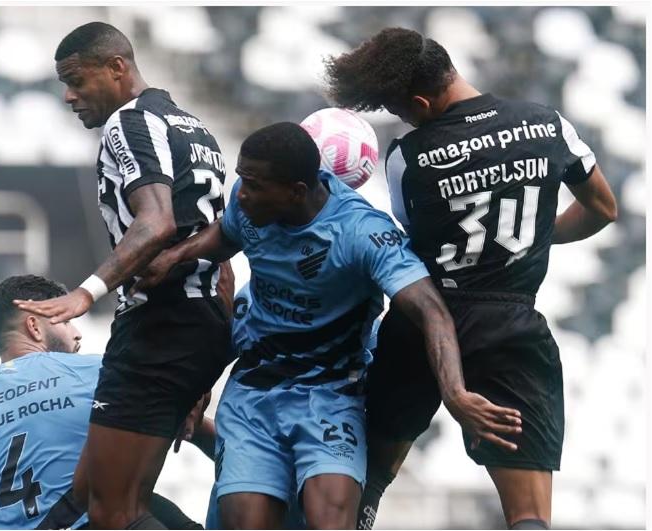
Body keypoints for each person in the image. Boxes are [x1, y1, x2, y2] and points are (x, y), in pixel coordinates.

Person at [133, 122, 522, 529]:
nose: (241, 193)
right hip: (253, 394)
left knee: (330, 518)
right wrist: (175, 257)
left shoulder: (361, 233)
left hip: (330, 396)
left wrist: (456, 394)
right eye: (241, 180)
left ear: (296, 192)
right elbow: (226, 235)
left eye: (254, 185)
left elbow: (430, 310)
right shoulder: (249, 201)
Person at [324, 27, 618, 530]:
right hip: (510, 326)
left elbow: (415, 241)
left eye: (399, 110)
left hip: (424, 321)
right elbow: (603, 209)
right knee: (528, 515)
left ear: (419, 100)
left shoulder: (408, 157)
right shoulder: (547, 126)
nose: (401, 120)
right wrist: (528, 238)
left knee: (367, 477)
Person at [14, 22, 232, 530]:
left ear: (117, 68)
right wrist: (207, 365)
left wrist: (87, 292)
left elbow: (157, 223)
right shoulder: (195, 128)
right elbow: (222, 252)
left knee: (114, 512)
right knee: (86, 495)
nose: (68, 96)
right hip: (198, 323)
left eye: (76, 80)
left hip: (160, 328)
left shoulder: (128, 123)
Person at [0, 274, 203, 530]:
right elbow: (182, 391)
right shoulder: (100, 372)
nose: (77, 333)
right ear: (35, 327)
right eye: (67, 320)